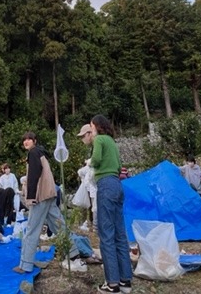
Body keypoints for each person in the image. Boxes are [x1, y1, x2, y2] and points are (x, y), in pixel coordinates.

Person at [88, 115, 133, 294]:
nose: (90, 129)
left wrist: (89, 162)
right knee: (120, 234)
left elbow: (96, 159)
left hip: (105, 185)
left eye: (91, 126)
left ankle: (112, 283)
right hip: (117, 185)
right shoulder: (112, 142)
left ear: (97, 126)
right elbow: (119, 166)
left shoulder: (99, 139)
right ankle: (125, 281)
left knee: (106, 234)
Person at [13, 131, 64, 275]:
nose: (26, 142)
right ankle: (75, 253)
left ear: (34, 141)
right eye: (24, 140)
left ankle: (25, 264)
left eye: (29, 139)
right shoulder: (41, 153)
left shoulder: (33, 153)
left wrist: (30, 197)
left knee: (32, 229)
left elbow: (33, 176)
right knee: (59, 226)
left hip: (40, 196)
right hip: (50, 193)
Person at [76, 124, 98, 231]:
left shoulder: (97, 144)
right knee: (93, 206)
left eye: (83, 136)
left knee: (96, 206)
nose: (82, 139)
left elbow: (96, 162)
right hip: (93, 185)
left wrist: (89, 162)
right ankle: (94, 226)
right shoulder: (92, 147)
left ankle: (96, 228)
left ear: (89, 134)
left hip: (98, 184)